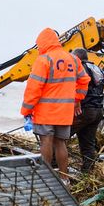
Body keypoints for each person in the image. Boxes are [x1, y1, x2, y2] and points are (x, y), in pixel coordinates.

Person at [20, 28, 90, 178]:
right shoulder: (73, 59)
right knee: (60, 143)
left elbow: (34, 88)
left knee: (46, 142)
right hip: (64, 112)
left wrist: (26, 110)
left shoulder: (44, 60)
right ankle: (64, 178)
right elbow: (84, 81)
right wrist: (77, 99)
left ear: (43, 43)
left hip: (45, 112)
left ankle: (46, 178)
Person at [70, 48, 104, 173]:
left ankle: (55, 169)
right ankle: (88, 172)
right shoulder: (97, 68)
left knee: (59, 137)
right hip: (97, 110)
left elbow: (77, 86)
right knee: (88, 144)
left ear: (77, 58)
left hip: (84, 110)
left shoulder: (80, 67)